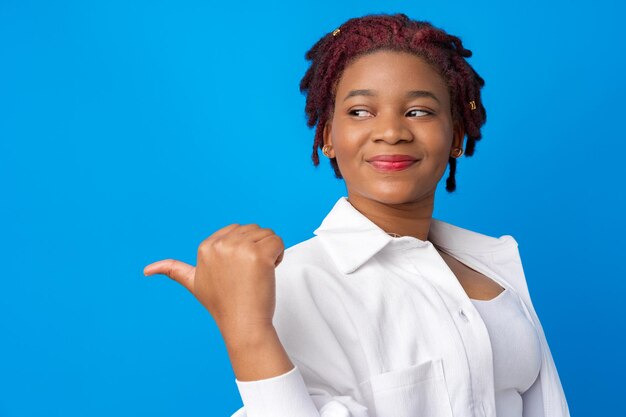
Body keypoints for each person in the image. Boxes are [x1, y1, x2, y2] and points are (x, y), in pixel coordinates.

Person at [143, 13, 570, 417]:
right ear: (328, 137)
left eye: (418, 111)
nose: (391, 132)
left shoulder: (493, 265)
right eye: (360, 112)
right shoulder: (291, 284)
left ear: (455, 135)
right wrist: (247, 331)